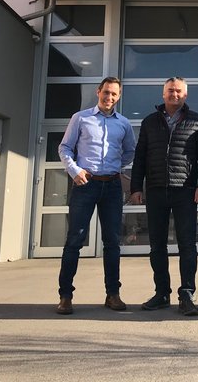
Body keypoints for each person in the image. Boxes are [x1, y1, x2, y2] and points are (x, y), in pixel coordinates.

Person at [129, 77, 198, 317]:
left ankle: (187, 294)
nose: (174, 94)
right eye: (170, 91)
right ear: (163, 94)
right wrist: (136, 187)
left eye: (178, 91)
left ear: (185, 95)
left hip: (185, 191)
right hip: (156, 189)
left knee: (187, 244)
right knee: (157, 245)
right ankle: (161, 293)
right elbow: (140, 157)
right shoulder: (149, 122)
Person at [56, 76, 136, 315]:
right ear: (98, 92)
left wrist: (115, 167)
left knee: (112, 242)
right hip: (85, 184)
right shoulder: (80, 118)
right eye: (106, 92)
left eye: (114, 94)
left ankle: (113, 294)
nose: (109, 97)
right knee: (75, 240)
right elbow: (64, 147)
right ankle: (65, 296)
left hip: (111, 187)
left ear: (119, 97)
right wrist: (75, 171)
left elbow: (130, 151)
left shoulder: (123, 124)